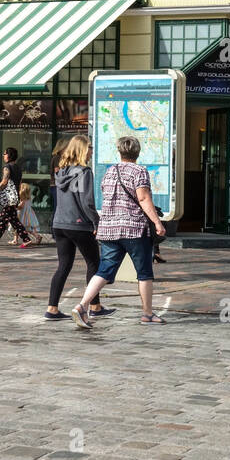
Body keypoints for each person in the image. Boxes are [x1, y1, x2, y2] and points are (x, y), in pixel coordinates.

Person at [70, 136, 167, 328]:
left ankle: (82, 306)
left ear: (119, 151)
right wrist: (158, 223)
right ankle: (147, 314)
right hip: (134, 229)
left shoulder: (109, 172)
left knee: (104, 270)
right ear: (137, 152)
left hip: (109, 229)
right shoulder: (140, 171)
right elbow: (143, 198)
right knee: (145, 272)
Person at [45, 135, 113, 322]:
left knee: (63, 266)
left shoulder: (61, 172)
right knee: (94, 264)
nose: (92, 150)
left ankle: (52, 308)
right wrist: (96, 222)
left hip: (59, 223)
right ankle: (95, 306)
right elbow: (87, 201)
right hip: (79, 224)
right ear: (83, 149)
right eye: (90, 147)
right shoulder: (84, 172)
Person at [0, 147, 33, 247]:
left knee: (4, 218)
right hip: (15, 196)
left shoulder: (7, 167)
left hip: (8, 197)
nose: (3, 156)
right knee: (13, 219)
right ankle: (26, 239)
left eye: (4, 154)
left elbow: (4, 182)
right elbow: (20, 182)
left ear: (9, 155)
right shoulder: (18, 168)